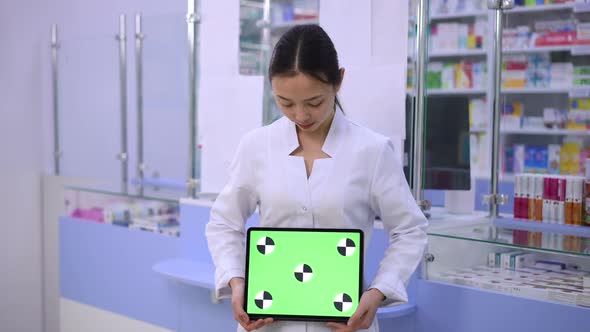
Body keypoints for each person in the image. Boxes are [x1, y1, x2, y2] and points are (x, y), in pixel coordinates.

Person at [206, 24, 428, 332]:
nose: (301, 115)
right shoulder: (257, 146)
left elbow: (410, 230)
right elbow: (223, 223)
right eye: (285, 102)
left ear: (339, 82)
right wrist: (236, 279)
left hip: (343, 321)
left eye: (314, 102)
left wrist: (378, 292)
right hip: (270, 323)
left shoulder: (372, 150)